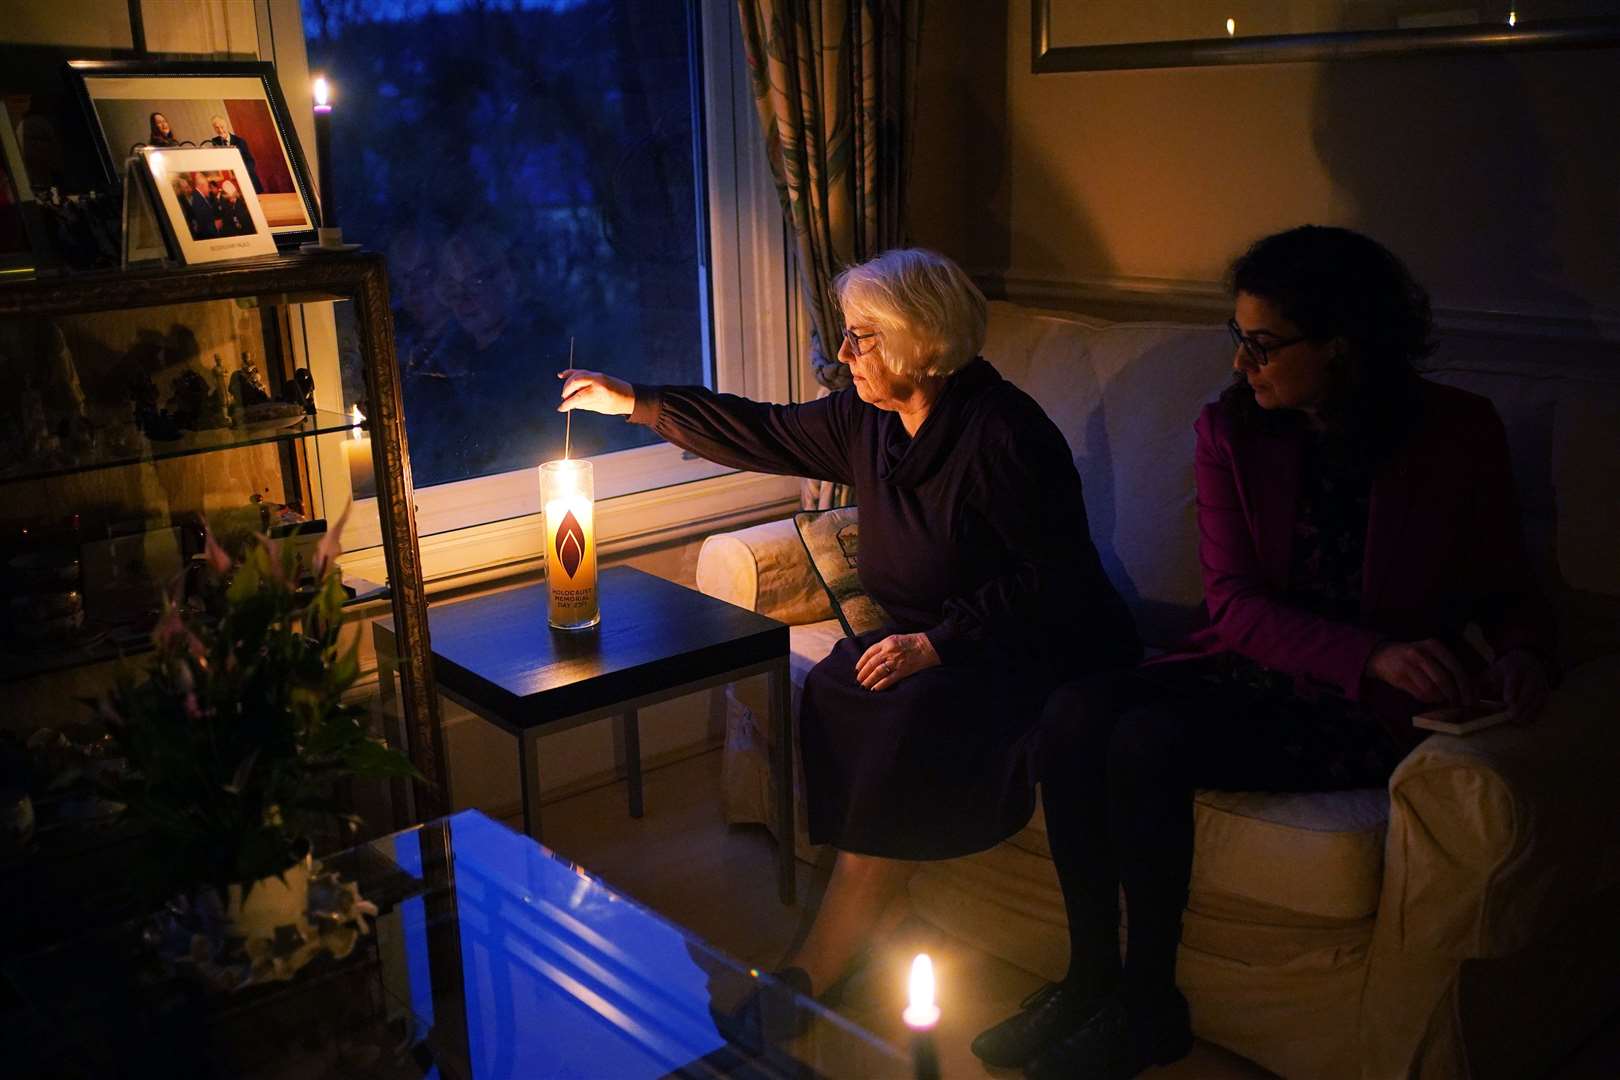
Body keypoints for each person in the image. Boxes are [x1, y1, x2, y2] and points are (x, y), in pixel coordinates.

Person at [972, 225, 1556, 1080]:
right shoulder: (1232, 432)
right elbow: (1235, 605)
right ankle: (1088, 974)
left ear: (1342, 346)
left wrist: (1519, 654)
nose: (1244, 366)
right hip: (1256, 666)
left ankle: (1148, 1002)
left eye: (1265, 345)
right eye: (1238, 341)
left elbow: (1506, 587)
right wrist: (1370, 649)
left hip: (1362, 706)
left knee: (1147, 741)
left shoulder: (1456, 433)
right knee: (1072, 710)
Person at [559, 248, 1141, 1010]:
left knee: (909, 707)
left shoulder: (1005, 436)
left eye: (860, 337)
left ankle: (822, 963)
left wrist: (935, 644)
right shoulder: (870, 420)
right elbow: (762, 429)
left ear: (919, 341)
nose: (842, 355)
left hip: (1030, 649)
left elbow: (1054, 582)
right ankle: (877, 905)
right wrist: (636, 401)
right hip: (942, 637)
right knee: (839, 679)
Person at [205, 114, 262, 193]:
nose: (220, 130)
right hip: (231, 182)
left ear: (226, 126)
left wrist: (242, 172)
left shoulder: (240, 141)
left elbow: (250, 161)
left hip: (248, 179)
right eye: (217, 128)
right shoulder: (215, 142)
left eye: (222, 127)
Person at [173, 175, 215, 240]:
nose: (189, 189)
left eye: (188, 186)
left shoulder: (186, 197)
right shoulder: (178, 200)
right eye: (186, 187)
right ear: (179, 189)